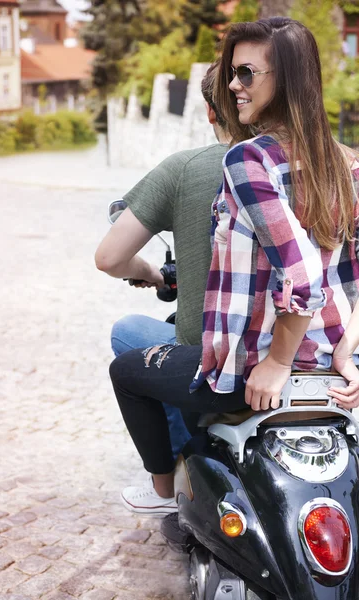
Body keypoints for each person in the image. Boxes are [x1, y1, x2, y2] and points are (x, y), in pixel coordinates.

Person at [109, 16, 359, 517]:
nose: (232, 85)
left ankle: (165, 492)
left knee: (127, 370)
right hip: (329, 367)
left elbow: (305, 276)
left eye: (247, 74)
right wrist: (346, 352)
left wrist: (277, 364)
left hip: (248, 368)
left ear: (286, 81)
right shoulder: (347, 162)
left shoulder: (249, 159)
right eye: (231, 72)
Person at [95, 62, 230, 458]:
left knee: (127, 331)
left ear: (209, 111)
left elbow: (109, 257)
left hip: (221, 357)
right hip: (315, 352)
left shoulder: (186, 168)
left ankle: (173, 467)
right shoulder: (329, 162)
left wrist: (152, 274)